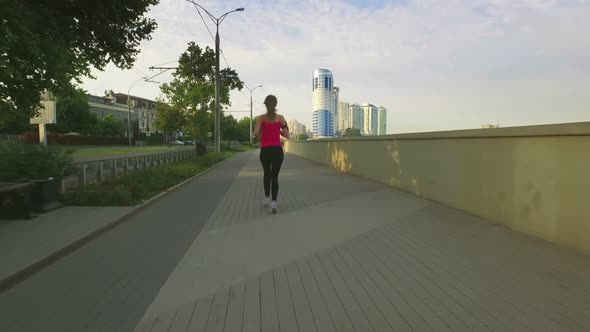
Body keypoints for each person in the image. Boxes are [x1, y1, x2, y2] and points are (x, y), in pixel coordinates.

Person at [253, 95, 289, 214]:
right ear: (275, 104)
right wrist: (278, 129)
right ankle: (274, 203)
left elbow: (255, 132)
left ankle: (267, 198)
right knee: (275, 177)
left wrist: (261, 139)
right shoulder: (281, 118)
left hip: (265, 151)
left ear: (265, 104)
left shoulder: (261, 118)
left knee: (266, 174)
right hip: (277, 151)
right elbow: (287, 135)